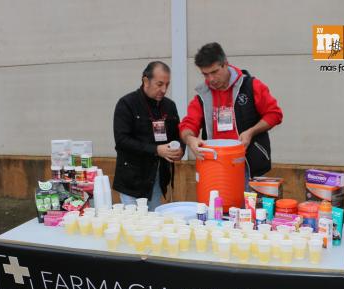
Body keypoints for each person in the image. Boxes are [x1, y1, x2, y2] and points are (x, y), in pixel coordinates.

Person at [179, 42, 283, 181]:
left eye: (214, 72)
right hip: (215, 165)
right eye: (205, 74)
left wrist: (251, 132)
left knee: (247, 203)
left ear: (225, 64)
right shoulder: (202, 96)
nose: (211, 79)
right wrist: (190, 139)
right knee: (217, 203)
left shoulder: (251, 86)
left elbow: (274, 114)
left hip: (248, 164)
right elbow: (188, 125)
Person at [113, 61, 184, 211]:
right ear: (146, 80)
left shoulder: (169, 106)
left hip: (157, 178)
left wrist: (179, 150)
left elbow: (178, 135)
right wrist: (156, 149)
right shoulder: (126, 104)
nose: (164, 89)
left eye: (167, 84)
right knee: (134, 224)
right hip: (132, 179)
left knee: (154, 221)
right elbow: (122, 141)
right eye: (159, 84)